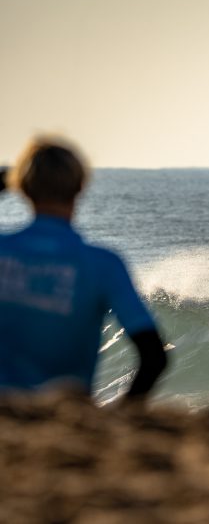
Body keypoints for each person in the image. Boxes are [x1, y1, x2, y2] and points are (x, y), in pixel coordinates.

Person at [0, 137, 167, 400]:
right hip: (60, 411)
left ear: (23, 188)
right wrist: (122, 415)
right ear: (80, 187)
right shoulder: (102, 264)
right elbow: (154, 356)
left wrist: (10, 181)